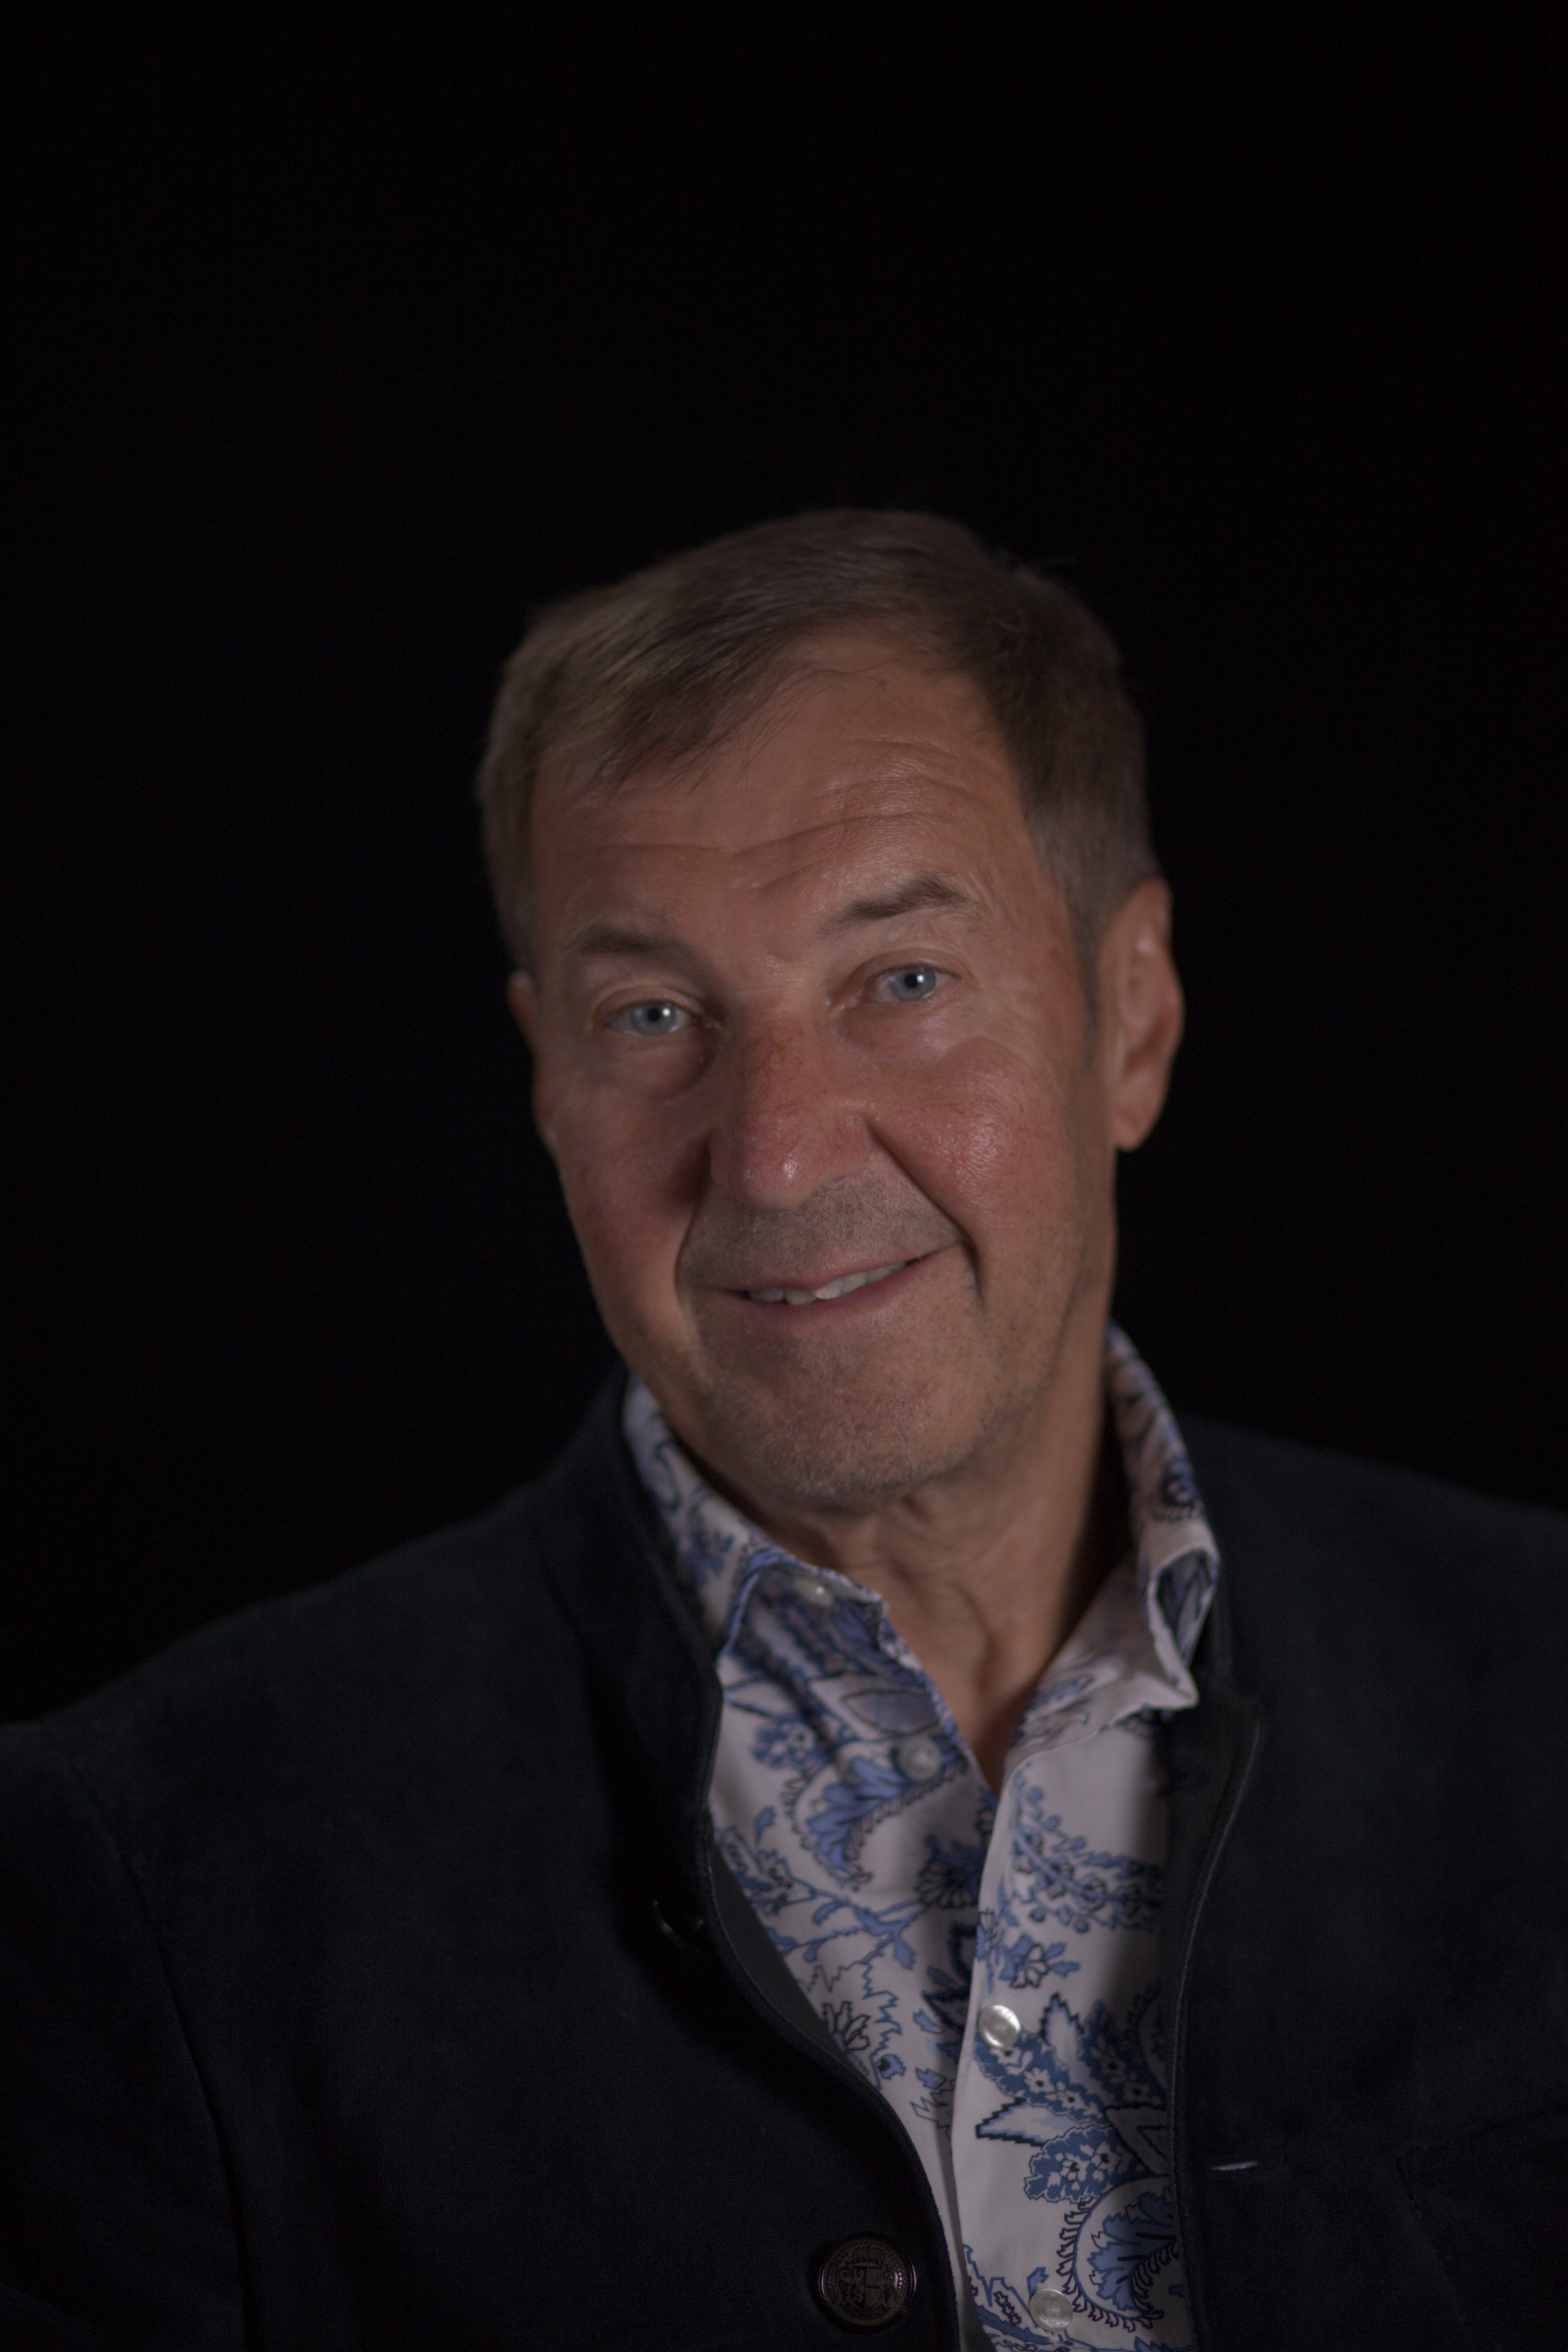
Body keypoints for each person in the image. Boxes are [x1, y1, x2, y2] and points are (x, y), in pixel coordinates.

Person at [2, 513, 1562, 2352]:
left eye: (901, 982)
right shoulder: (143, 1876)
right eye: (655, 1015)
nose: (780, 1156)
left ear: (1131, 1018)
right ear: (547, 1081)